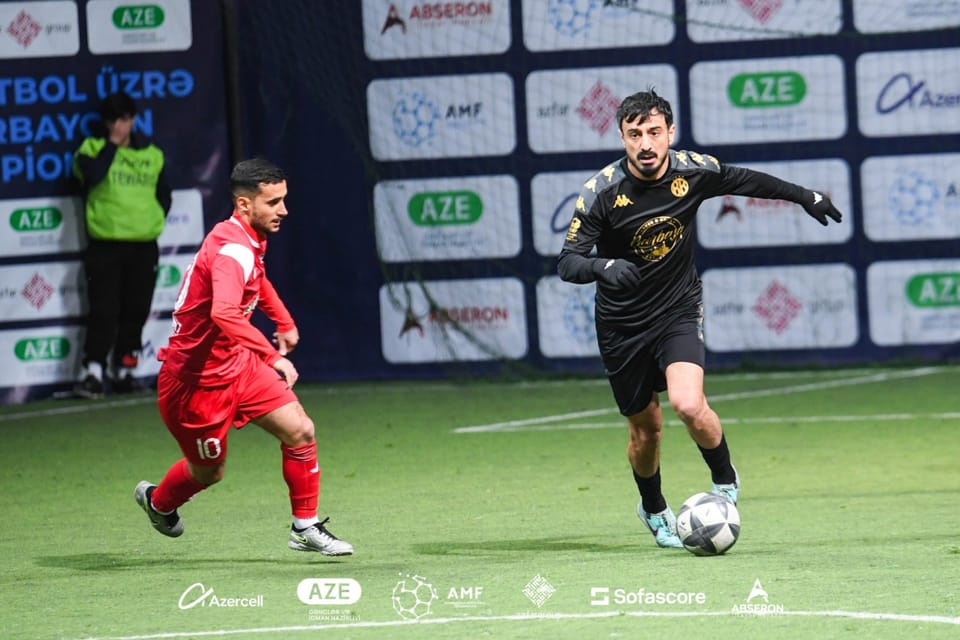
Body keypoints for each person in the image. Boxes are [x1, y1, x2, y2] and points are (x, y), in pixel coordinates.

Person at [557, 90, 842, 548]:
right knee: (646, 432)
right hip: (622, 326)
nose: (645, 144)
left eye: (654, 132)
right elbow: (568, 261)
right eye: (635, 134)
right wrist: (603, 266)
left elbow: (747, 181)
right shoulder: (602, 192)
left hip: (677, 308)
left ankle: (725, 480)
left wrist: (805, 196)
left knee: (688, 404)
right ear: (622, 137)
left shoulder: (693, 171)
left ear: (670, 132)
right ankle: (653, 508)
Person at [133, 158, 353, 556]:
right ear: (244, 204)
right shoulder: (233, 251)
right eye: (274, 202)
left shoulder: (246, 237)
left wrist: (283, 320)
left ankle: (304, 526)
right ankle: (159, 502)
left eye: (284, 199)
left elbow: (258, 279)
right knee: (208, 472)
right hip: (196, 384)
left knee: (301, 430)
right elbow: (224, 312)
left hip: (238, 364)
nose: (284, 210)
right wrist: (273, 357)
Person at [73, 91, 172, 398]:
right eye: (114, 120)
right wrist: (112, 145)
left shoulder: (152, 154)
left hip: (143, 245)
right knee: (104, 309)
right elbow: (92, 176)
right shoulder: (91, 149)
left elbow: (164, 195)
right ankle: (93, 371)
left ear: (133, 119)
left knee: (137, 309)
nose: (119, 125)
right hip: (106, 244)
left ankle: (126, 369)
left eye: (124, 119)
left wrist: (154, 218)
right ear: (106, 123)